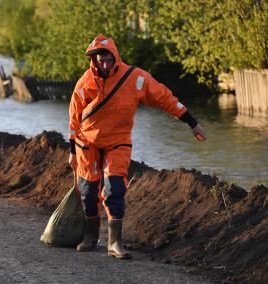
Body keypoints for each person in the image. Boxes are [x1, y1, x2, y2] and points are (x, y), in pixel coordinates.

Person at [68, 34, 206, 260]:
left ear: (115, 57)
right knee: (88, 191)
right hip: (87, 143)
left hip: (118, 142)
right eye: (99, 60)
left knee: (115, 189)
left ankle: (115, 243)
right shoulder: (85, 82)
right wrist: (72, 150)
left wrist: (192, 123)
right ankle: (91, 237)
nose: (103, 65)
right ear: (93, 60)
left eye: (107, 60)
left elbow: (164, 97)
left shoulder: (135, 78)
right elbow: (74, 118)